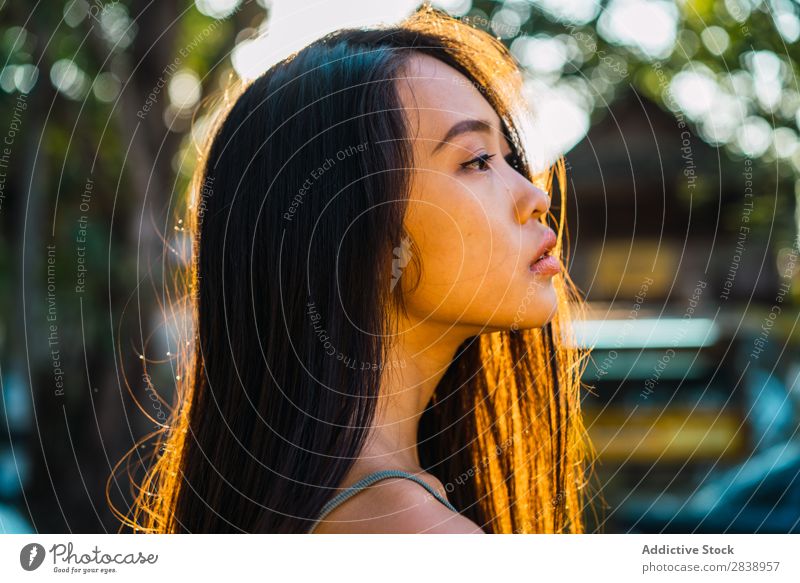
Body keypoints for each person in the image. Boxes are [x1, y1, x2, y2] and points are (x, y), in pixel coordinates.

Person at [119, 5, 594, 534]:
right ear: (351, 230)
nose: (536, 195)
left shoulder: (307, 505)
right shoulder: (418, 538)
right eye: (478, 160)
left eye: (509, 159)